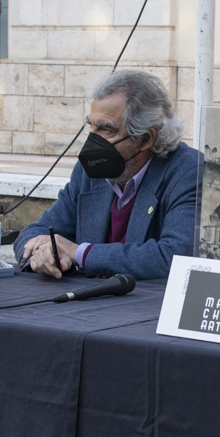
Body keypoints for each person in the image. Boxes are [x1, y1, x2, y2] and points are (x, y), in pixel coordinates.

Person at [16, 69, 201, 280]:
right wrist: (44, 252)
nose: (92, 143)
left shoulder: (188, 171)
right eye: (91, 127)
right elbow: (35, 232)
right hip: (85, 306)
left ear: (145, 139)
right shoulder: (89, 172)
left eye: (106, 130)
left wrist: (79, 253)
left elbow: (174, 257)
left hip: (148, 309)